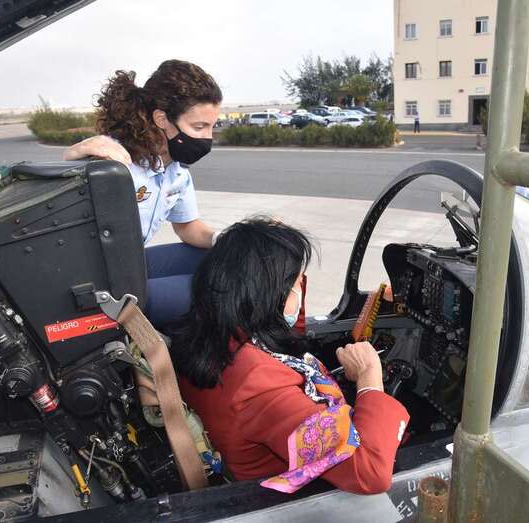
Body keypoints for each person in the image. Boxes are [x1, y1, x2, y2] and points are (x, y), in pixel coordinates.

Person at [170, 217, 409, 495]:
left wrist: (274, 247)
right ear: (270, 296)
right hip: (285, 497)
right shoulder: (259, 384)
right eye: (295, 284)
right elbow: (370, 473)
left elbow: (288, 334)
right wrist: (369, 379)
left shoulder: (208, 330)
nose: (300, 289)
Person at [62, 60, 223, 327]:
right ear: (162, 119)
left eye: (211, 127)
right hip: (98, 284)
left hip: (130, 265)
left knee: (224, 260)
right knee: (222, 290)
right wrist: (72, 155)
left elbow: (187, 226)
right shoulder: (114, 160)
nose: (208, 138)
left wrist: (224, 238)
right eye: (199, 127)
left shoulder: (177, 171)